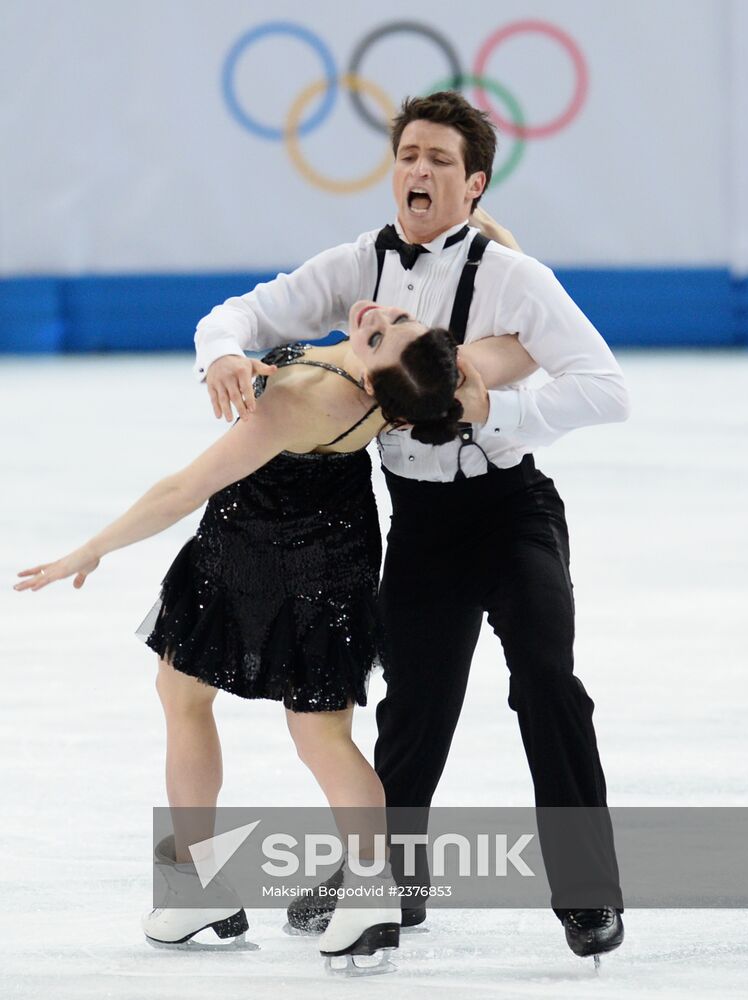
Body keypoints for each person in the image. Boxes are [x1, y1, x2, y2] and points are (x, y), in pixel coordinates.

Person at [193, 90, 630, 963]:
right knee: (414, 708)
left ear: (474, 186)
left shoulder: (515, 278)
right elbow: (243, 311)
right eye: (408, 157)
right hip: (421, 523)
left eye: (438, 160)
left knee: (546, 677)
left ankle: (588, 891)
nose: (418, 171)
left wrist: (491, 408)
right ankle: (390, 881)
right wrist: (224, 354)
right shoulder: (362, 263)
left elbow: (607, 390)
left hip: (511, 511)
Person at [14, 300, 536, 969]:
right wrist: (486, 230)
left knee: (210, 704)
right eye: (400, 318)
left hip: (257, 546)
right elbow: (521, 339)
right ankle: (360, 891)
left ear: (377, 385)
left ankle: (208, 884)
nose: (377, 313)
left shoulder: (301, 399)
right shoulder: (424, 378)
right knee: (279, 720)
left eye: (378, 335)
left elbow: (184, 489)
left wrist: (91, 549)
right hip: (337, 546)